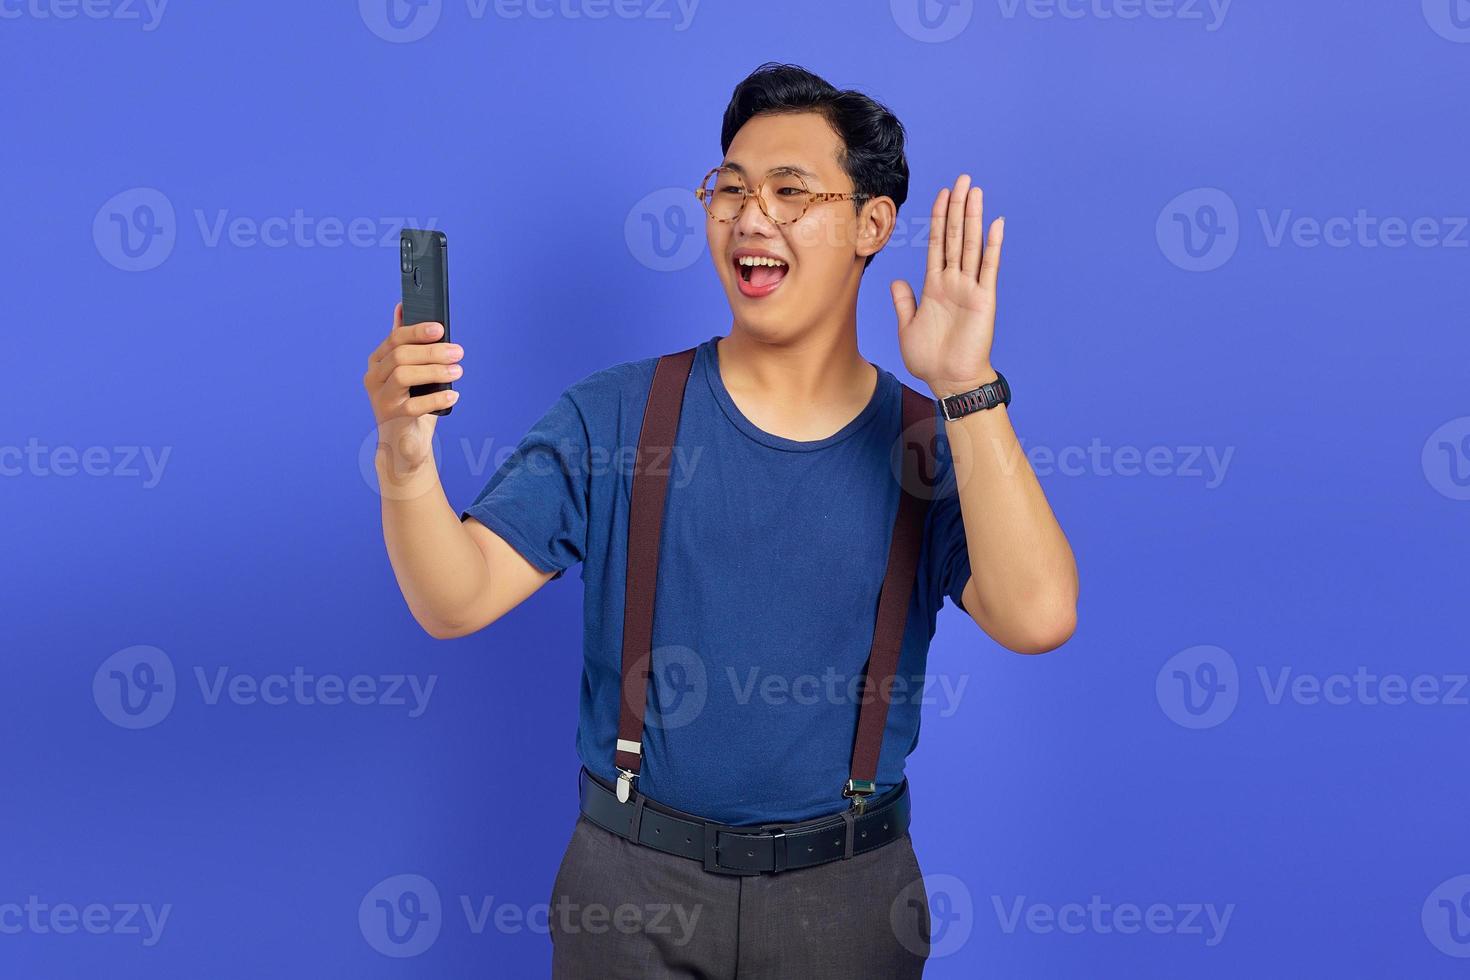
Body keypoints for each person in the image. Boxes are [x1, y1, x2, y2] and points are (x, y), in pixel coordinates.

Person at [363, 62, 1078, 979]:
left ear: (872, 224)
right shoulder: (617, 417)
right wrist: (405, 452)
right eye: (730, 190)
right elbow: (451, 598)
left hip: (849, 895)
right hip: (630, 890)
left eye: (790, 192)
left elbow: (1039, 614)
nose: (751, 217)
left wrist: (965, 387)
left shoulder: (928, 446)